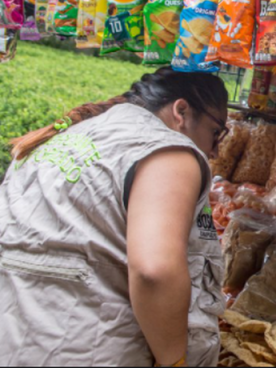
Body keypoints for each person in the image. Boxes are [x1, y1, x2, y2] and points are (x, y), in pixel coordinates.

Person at [0, 67, 229, 366]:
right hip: (87, 348)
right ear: (181, 111)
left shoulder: (71, 135)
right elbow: (154, 271)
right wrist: (175, 361)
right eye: (216, 132)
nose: (214, 151)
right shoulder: (169, 151)